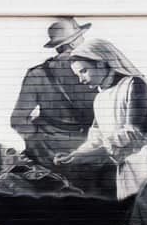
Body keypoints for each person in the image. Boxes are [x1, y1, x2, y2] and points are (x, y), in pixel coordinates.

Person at [56, 34, 147, 200]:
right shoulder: (100, 98)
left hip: (146, 159)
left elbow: (131, 135)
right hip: (125, 163)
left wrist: (87, 155)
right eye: (78, 75)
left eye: (84, 71)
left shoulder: (133, 85)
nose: (81, 79)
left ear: (102, 64)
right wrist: (75, 155)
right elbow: (96, 138)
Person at [8, 18, 92, 167]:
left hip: (48, 150)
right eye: (82, 37)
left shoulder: (37, 74)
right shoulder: (96, 70)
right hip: (90, 149)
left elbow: (17, 120)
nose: (85, 40)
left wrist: (37, 142)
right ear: (72, 43)